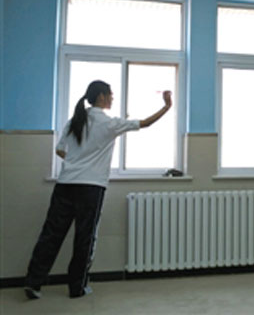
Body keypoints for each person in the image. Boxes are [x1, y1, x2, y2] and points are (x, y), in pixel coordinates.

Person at [24, 80, 172, 299]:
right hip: (91, 188)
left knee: (51, 234)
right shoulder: (109, 123)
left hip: (65, 184)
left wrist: (77, 161)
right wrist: (167, 106)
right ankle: (77, 287)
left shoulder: (75, 120)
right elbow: (145, 123)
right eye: (110, 94)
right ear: (101, 96)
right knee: (85, 238)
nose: (112, 98)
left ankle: (33, 283)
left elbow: (60, 150)